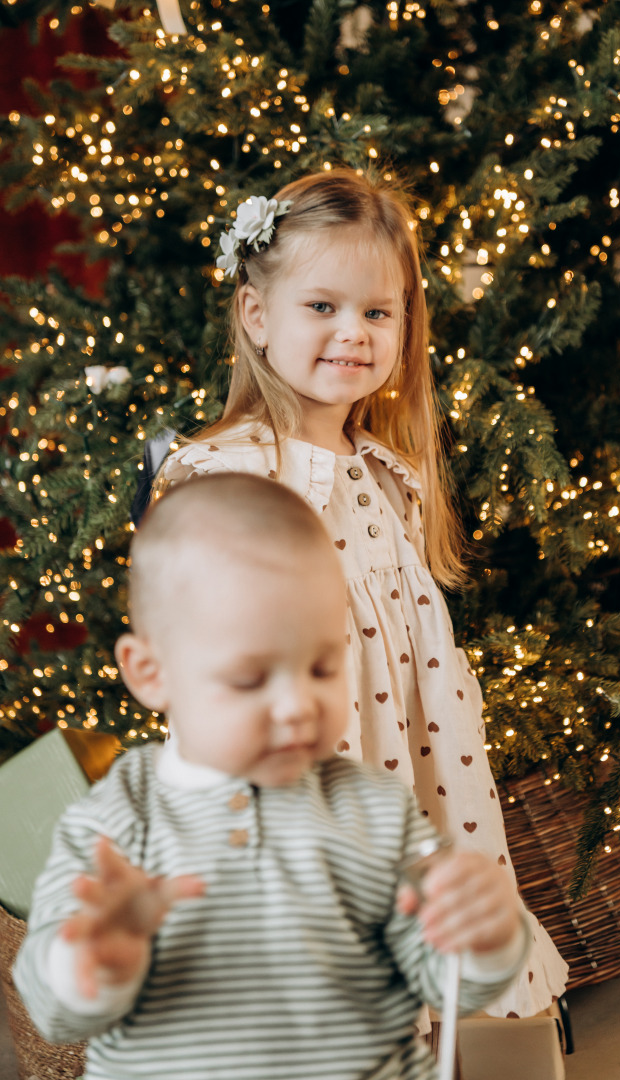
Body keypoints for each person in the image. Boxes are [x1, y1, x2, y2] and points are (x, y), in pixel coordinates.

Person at [154, 169, 568, 1020]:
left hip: (422, 773)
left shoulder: (388, 476)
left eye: (377, 313)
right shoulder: (231, 474)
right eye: (322, 307)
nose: (354, 333)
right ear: (257, 317)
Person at [14, 474, 531, 1080]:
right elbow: (51, 1011)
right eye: (249, 679)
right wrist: (92, 960)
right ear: (152, 672)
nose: (296, 706)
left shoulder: (374, 806)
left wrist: (485, 936)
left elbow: (442, 977)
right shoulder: (115, 823)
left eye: (321, 665)